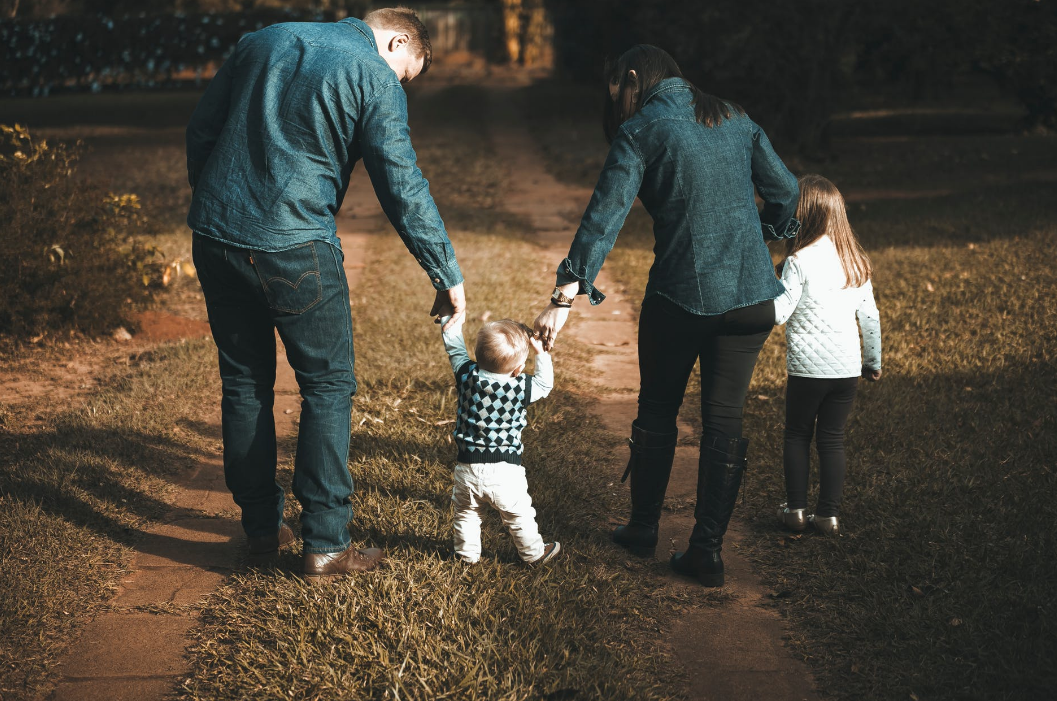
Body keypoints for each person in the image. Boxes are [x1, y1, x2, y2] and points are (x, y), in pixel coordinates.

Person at [186, 8, 466, 580]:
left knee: (244, 382)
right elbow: (401, 183)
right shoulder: (373, 75)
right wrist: (444, 272)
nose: (400, 85)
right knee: (328, 386)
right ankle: (327, 542)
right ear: (396, 40)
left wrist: (220, 207)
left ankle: (262, 529)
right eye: (406, 73)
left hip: (215, 237)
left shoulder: (261, 40)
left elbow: (201, 130)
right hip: (296, 245)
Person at [534, 45, 800, 587]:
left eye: (620, 94)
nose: (622, 107)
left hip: (680, 299)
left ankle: (642, 529)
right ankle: (707, 552)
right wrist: (765, 236)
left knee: (658, 409)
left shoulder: (643, 129)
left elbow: (601, 220)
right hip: (752, 301)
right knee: (725, 419)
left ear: (633, 79)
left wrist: (562, 300)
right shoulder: (735, 115)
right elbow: (788, 194)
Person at [773, 174, 882, 536]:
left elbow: (779, 314)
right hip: (847, 370)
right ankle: (829, 517)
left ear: (801, 214)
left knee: (797, 435)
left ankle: (796, 512)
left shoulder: (799, 261)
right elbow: (869, 317)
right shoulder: (855, 262)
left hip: (806, 371)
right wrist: (872, 362)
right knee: (832, 438)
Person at [440, 316, 561, 565]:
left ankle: (465, 555)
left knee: (466, 514)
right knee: (519, 515)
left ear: (478, 355)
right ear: (517, 370)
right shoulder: (521, 387)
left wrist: (450, 317)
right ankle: (534, 554)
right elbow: (545, 384)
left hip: (467, 468)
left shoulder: (466, 375)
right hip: (505, 471)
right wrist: (540, 353)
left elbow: (454, 348)